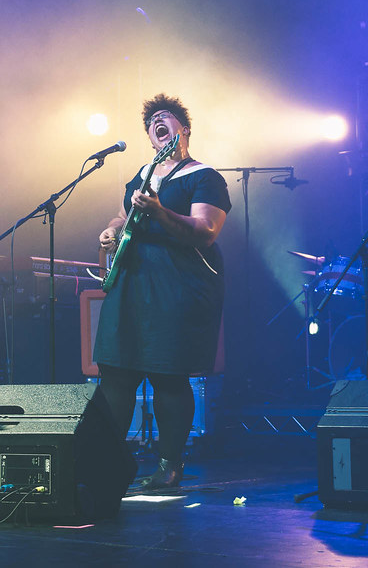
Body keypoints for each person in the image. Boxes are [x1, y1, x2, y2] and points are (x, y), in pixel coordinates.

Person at [95, 94, 230, 489]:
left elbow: (206, 231)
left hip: (177, 287)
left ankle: (170, 466)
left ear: (182, 129)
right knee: (116, 374)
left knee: (168, 376)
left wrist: (159, 211)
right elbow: (123, 215)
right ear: (152, 138)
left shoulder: (204, 176)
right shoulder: (142, 174)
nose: (157, 121)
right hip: (132, 286)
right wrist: (112, 230)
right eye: (151, 120)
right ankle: (108, 462)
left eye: (164, 116)